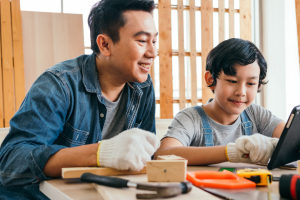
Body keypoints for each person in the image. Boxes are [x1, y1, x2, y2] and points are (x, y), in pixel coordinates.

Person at [0, 0, 159, 199]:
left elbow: (145, 157)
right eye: (142, 41)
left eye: (154, 41)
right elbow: (11, 162)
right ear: (105, 44)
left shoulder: (142, 87)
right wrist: (101, 153)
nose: (153, 53)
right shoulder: (58, 84)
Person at [154, 38, 285, 165]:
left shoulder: (255, 114)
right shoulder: (191, 118)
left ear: (258, 85)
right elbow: (163, 154)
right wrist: (233, 151)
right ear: (211, 80)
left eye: (251, 83)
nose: (241, 92)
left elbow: (292, 140)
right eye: (232, 81)